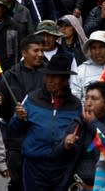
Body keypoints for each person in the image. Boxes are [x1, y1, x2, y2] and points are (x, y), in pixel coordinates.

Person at [9, 54, 81, 191]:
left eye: (55, 77)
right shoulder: (31, 98)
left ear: (65, 80)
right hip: (34, 166)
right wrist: (18, 118)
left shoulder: (76, 105)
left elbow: (80, 137)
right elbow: (13, 131)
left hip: (62, 167)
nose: (49, 80)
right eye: (48, 76)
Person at [0, 35, 45, 191]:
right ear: (24, 53)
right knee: (18, 184)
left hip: (42, 141)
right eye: (35, 50)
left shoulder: (49, 75)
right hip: (17, 143)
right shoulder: (9, 76)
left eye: (42, 51)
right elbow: (1, 113)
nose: (40, 54)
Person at [63, 81, 105, 187]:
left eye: (94, 99)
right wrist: (65, 144)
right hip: (79, 184)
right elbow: (58, 152)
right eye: (87, 98)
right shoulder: (78, 122)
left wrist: (93, 123)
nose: (88, 103)